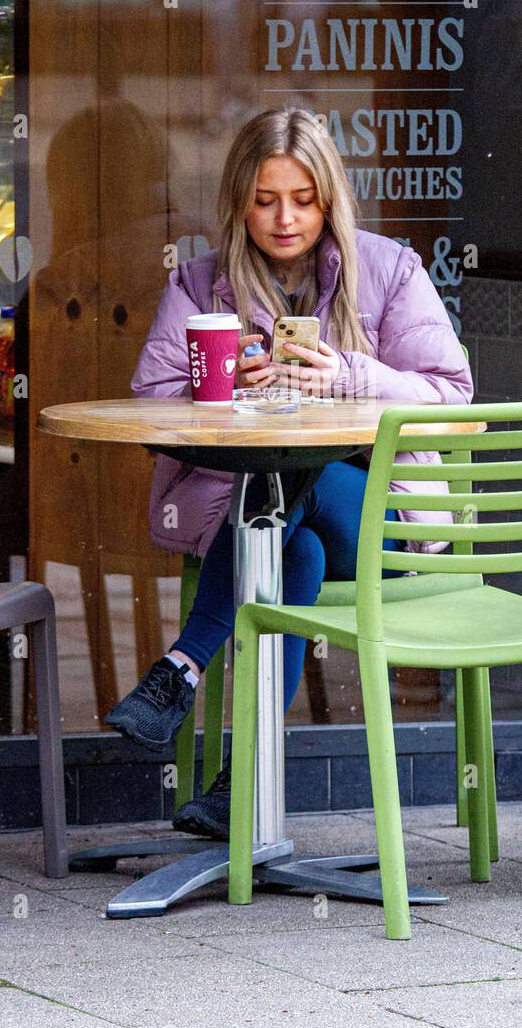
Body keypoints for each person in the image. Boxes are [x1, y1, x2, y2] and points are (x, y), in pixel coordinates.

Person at [104, 106, 474, 837]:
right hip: (264, 526)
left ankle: (180, 667)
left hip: (380, 525)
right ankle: (244, 784)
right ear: (240, 200)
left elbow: (454, 397)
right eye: (266, 199)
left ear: (329, 198)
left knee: (292, 488)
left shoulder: (389, 271)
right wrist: (224, 391)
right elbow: (152, 402)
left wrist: (351, 376)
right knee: (289, 541)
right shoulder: (201, 284)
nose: (284, 219)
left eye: (302, 200)